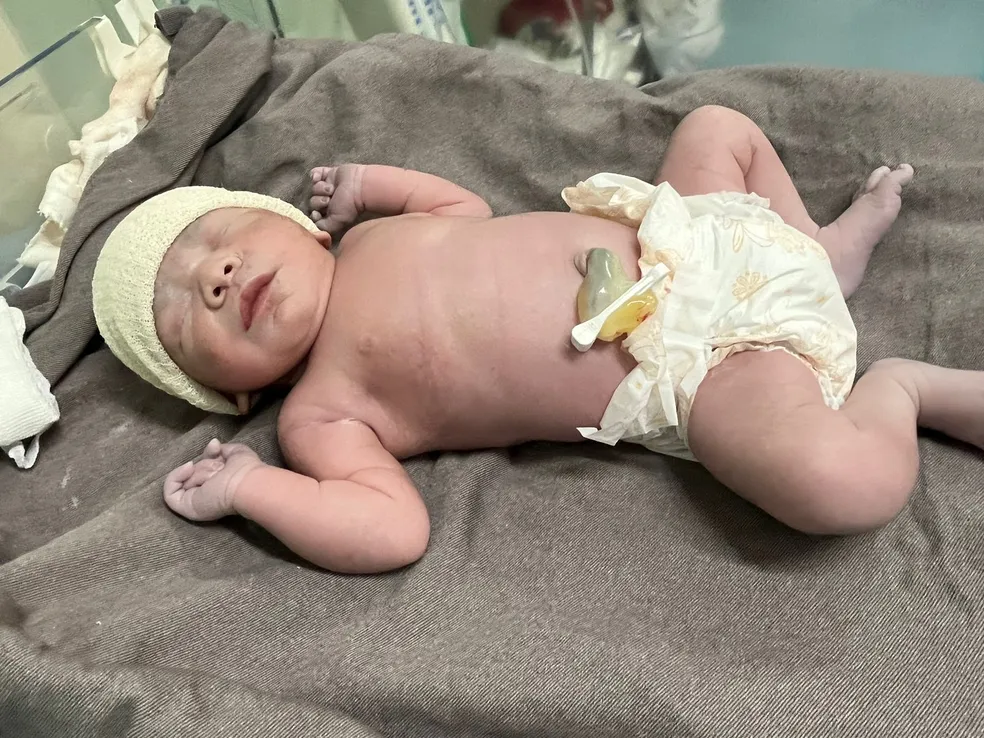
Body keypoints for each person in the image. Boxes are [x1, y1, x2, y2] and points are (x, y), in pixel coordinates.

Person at [92, 105, 979, 575]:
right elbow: (390, 529)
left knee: (717, 128)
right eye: (184, 315)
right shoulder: (322, 415)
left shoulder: (371, 237)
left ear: (297, 225)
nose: (213, 276)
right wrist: (253, 489)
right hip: (701, 361)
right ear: (233, 395)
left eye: (218, 237)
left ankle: (817, 251)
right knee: (839, 486)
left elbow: (462, 206)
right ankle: (905, 389)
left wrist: (369, 184)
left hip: (693, 232)